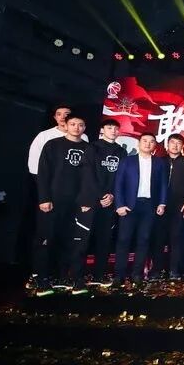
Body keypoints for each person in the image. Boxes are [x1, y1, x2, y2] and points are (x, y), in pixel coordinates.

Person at [32, 114, 93, 295]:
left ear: (84, 128)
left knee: (72, 241)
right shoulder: (53, 145)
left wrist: (87, 200)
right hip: (54, 200)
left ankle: (64, 277)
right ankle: (42, 279)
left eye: (80, 125)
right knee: (47, 239)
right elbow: (43, 173)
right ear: (66, 126)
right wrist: (44, 198)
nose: (76, 127)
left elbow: (90, 178)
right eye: (72, 124)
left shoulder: (89, 148)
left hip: (78, 203)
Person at [112, 133, 167, 287]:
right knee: (124, 240)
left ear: (155, 145)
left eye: (151, 142)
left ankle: (137, 274)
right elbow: (118, 183)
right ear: (139, 143)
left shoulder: (159, 163)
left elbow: (163, 184)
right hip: (129, 206)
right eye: (145, 141)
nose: (148, 144)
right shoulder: (127, 161)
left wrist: (162, 203)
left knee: (143, 240)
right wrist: (119, 204)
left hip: (149, 206)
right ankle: (119, 275)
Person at [151, 134, 184, 280]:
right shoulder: (159, 161)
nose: (175, 145)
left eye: (179, 143)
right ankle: (156, 270)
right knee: (158, 239)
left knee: (176, 239)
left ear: (182, 146)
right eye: (172, 142)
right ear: (167, 144)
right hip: (159, 206)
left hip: (179, 206)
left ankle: (174, 270)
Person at [84, 119, 127, 286]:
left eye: (116, 128)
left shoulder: (121, 151)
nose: (113, 131)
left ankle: (99, 275)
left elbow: (122, 177)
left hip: (111, 202)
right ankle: (76, 275)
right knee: (84, 239)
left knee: (105, 240)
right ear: (102, 129)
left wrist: (113, 196)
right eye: (109, 128)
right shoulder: (93, 147)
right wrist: (101, 196)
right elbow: (88, 174)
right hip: (92, 200)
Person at [27, 104, 89, 176]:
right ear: (55, 117)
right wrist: (39, 176)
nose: (63, 117)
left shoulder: (83, 137)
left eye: (66, 114)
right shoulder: (44, 135)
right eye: (59, 114)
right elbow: (34, 158)